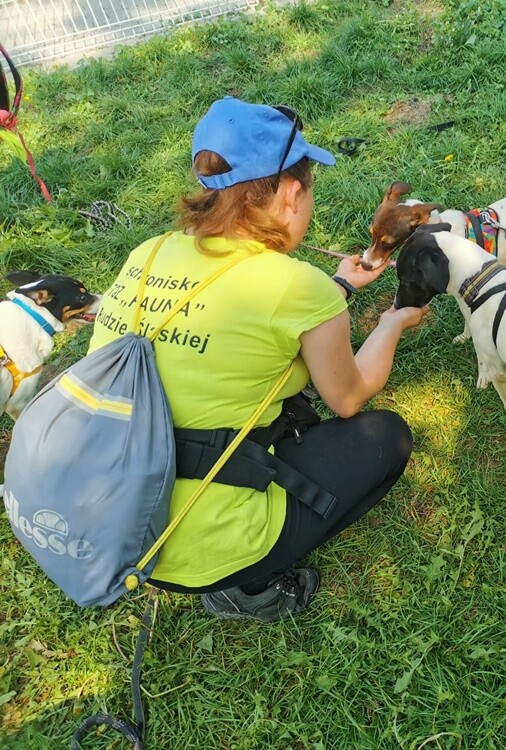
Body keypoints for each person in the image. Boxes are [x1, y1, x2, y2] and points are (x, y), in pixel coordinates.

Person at [88, 96, 428, 621]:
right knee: (385, 437)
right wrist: (390, 322)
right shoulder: (296, 285)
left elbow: (244, 319)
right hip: (204, 547)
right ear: (292, 194)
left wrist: (339, 286)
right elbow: (350, 397)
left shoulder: (147, 253)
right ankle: (251, 585)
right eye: (310, 191)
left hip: (123, 523)